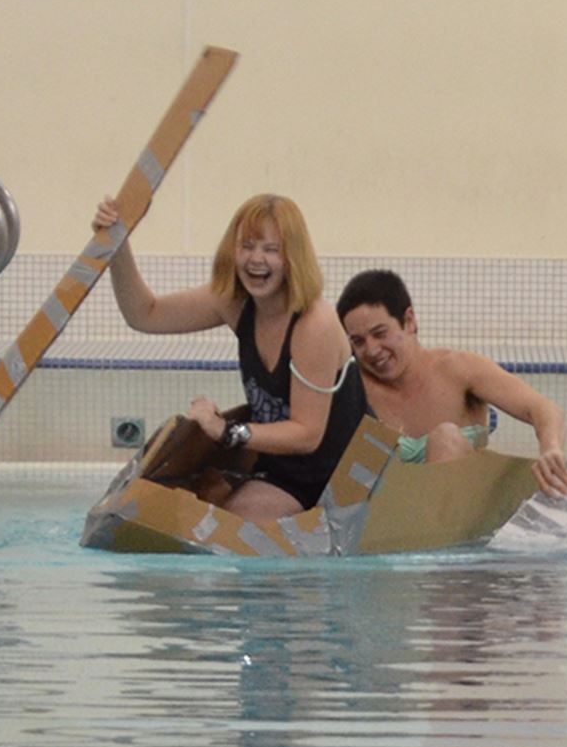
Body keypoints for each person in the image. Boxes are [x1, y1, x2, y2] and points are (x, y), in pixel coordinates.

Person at [91, 193, 367, 525]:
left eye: (271, 249)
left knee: (224, 527)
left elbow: (308, 435)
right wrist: (119, 245)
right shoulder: (234, 302)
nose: (256, 259)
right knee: (182, 507)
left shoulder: (313, 323)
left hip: (337, 485)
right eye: (247, 246)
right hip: (278, 472)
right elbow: (144, 314)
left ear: (294, 258)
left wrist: (227, 431)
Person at [335, 269, 567, 497]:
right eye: (358, 341)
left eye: (380, 334)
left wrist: (550, 448)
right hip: (396, 521)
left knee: (446, 438)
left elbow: (543, 408)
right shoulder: (354, 389)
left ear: (409, 321)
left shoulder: (457, 369)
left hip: (462, 519)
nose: (372, 350)